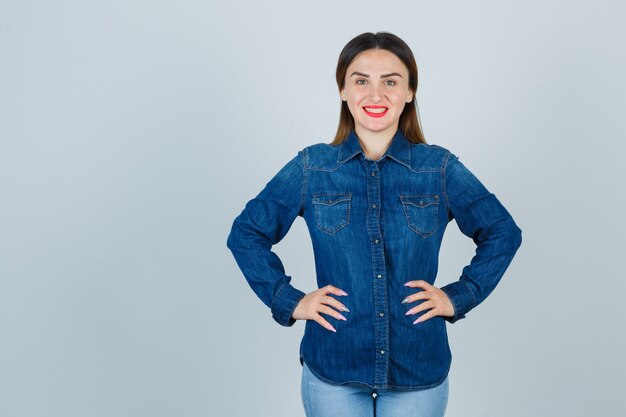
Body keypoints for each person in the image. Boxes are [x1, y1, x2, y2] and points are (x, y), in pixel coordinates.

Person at [226, 31, 522, 417]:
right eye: (361, 81)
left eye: (391, 81)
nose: (376, 95)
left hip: (417, 367)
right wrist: (290, 301)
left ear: (410, 91)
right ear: (343, 91)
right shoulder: (312, 167)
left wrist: (457, 296)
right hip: (333, 365)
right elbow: (247, 233)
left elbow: (502, 232)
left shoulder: (439, 168)